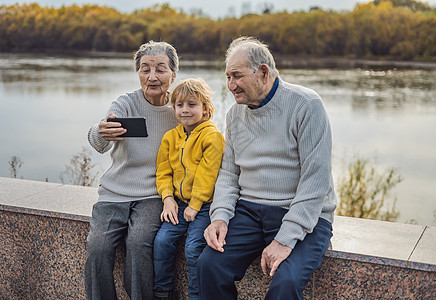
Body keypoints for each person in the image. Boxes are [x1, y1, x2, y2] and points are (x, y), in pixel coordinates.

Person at [198, 36, 337, 300]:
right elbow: (229, 174)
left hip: (304, 213)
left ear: (263, 72)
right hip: (249, 211)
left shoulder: (306, 105)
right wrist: (219, 217)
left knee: (286, 283)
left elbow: (315, 182)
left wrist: (285, 239)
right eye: (227, 77)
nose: (230, 85)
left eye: (236, 76)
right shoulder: (235, 114)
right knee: (209, 266)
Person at [85, 41, 179, 300]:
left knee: (138, 244)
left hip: (153, 194)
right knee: (98, 246)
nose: (152, 77)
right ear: (137, 72)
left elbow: (204, 136)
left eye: (160, 69)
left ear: (173, 74)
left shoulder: (180, 109)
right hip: (115, 193)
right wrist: (100, 130)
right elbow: (99, 142)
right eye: (145, 69)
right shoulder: (125, 103)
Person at [153, 78, 225, 300]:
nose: (185, 110)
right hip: (178, 203)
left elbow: (208, 174)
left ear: (205, 108)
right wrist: (167, 198)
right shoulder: (170, 137)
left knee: (194, 248)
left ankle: (197, 295)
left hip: (205, 206)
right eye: (180, 105)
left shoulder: (211, 136)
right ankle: (163, 291)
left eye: (192, 104)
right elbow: (163, 171)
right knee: (162, 242)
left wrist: (195, 204)